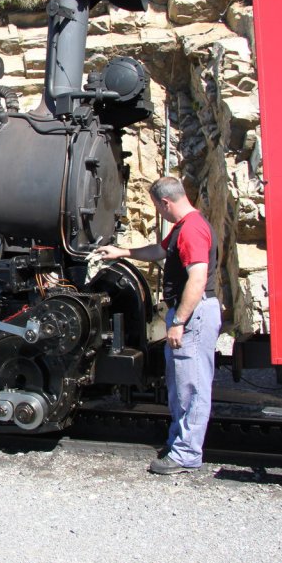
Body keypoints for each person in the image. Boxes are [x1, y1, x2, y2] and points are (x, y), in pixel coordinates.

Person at [94, 176, 221, 475]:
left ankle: (187, 454)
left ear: (166, 203)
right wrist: (122, 252)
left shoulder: (191, 230)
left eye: (158, 208)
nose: (159, 213)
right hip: (194, 312)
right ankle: (181, 444)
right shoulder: (185, 227)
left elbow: (198, 278)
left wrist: (178, 321)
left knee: (192, 386)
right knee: (182, 384)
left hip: (194, 313)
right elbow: (159, 252)